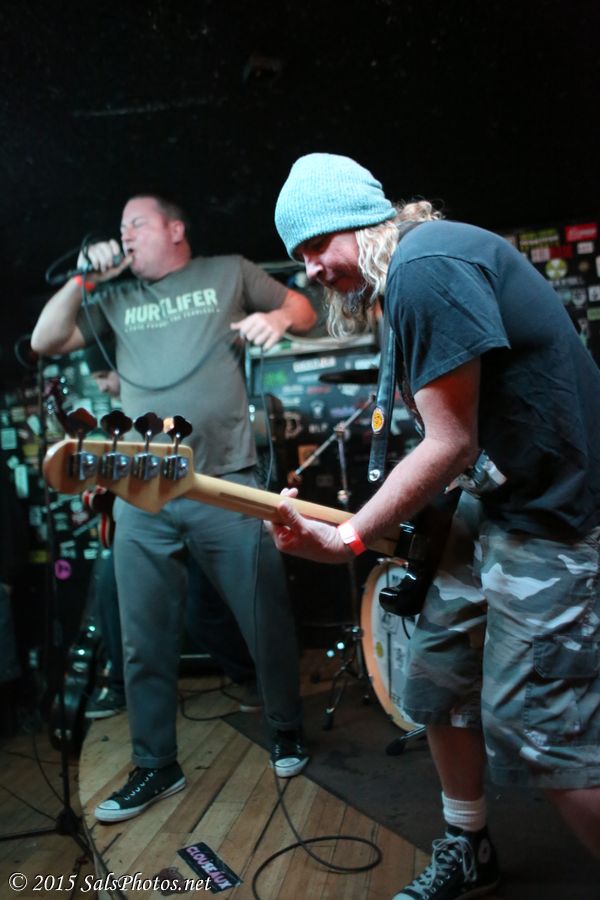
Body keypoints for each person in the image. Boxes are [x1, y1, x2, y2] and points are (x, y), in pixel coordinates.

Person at [271, 153, 600, 899]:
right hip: (499, 503)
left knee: (540, 732)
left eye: (317, 244)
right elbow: (462, 448)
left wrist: (350, 536)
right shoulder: (412, 274)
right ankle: (469, 845)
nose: (312, 269)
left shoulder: (424, 267)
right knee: (438, 681)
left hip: (556, 515)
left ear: (362, 220)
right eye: (299, 256)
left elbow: (451, 442)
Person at [31, 193, 317, 823]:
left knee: (264, 614)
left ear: (175, 229)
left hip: (226, 479)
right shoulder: (113, 299)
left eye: (136, 223)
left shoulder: (227, 272)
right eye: (120, 227)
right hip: (144, 488)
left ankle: (286, 729)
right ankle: (156, 763)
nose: (125, 234)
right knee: (143, 637)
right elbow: (45, 339)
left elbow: (302, 307)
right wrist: (84, 277)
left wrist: (279, 317)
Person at [81, 347, 260, 720]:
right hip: (146, 523)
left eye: (102, 376)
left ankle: (254, 678)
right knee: (109, 587)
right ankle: (120, 687)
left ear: (120, 368)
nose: (102, 387)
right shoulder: (115, 421)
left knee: (202, 612)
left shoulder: (162, 400)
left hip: (196, 512)